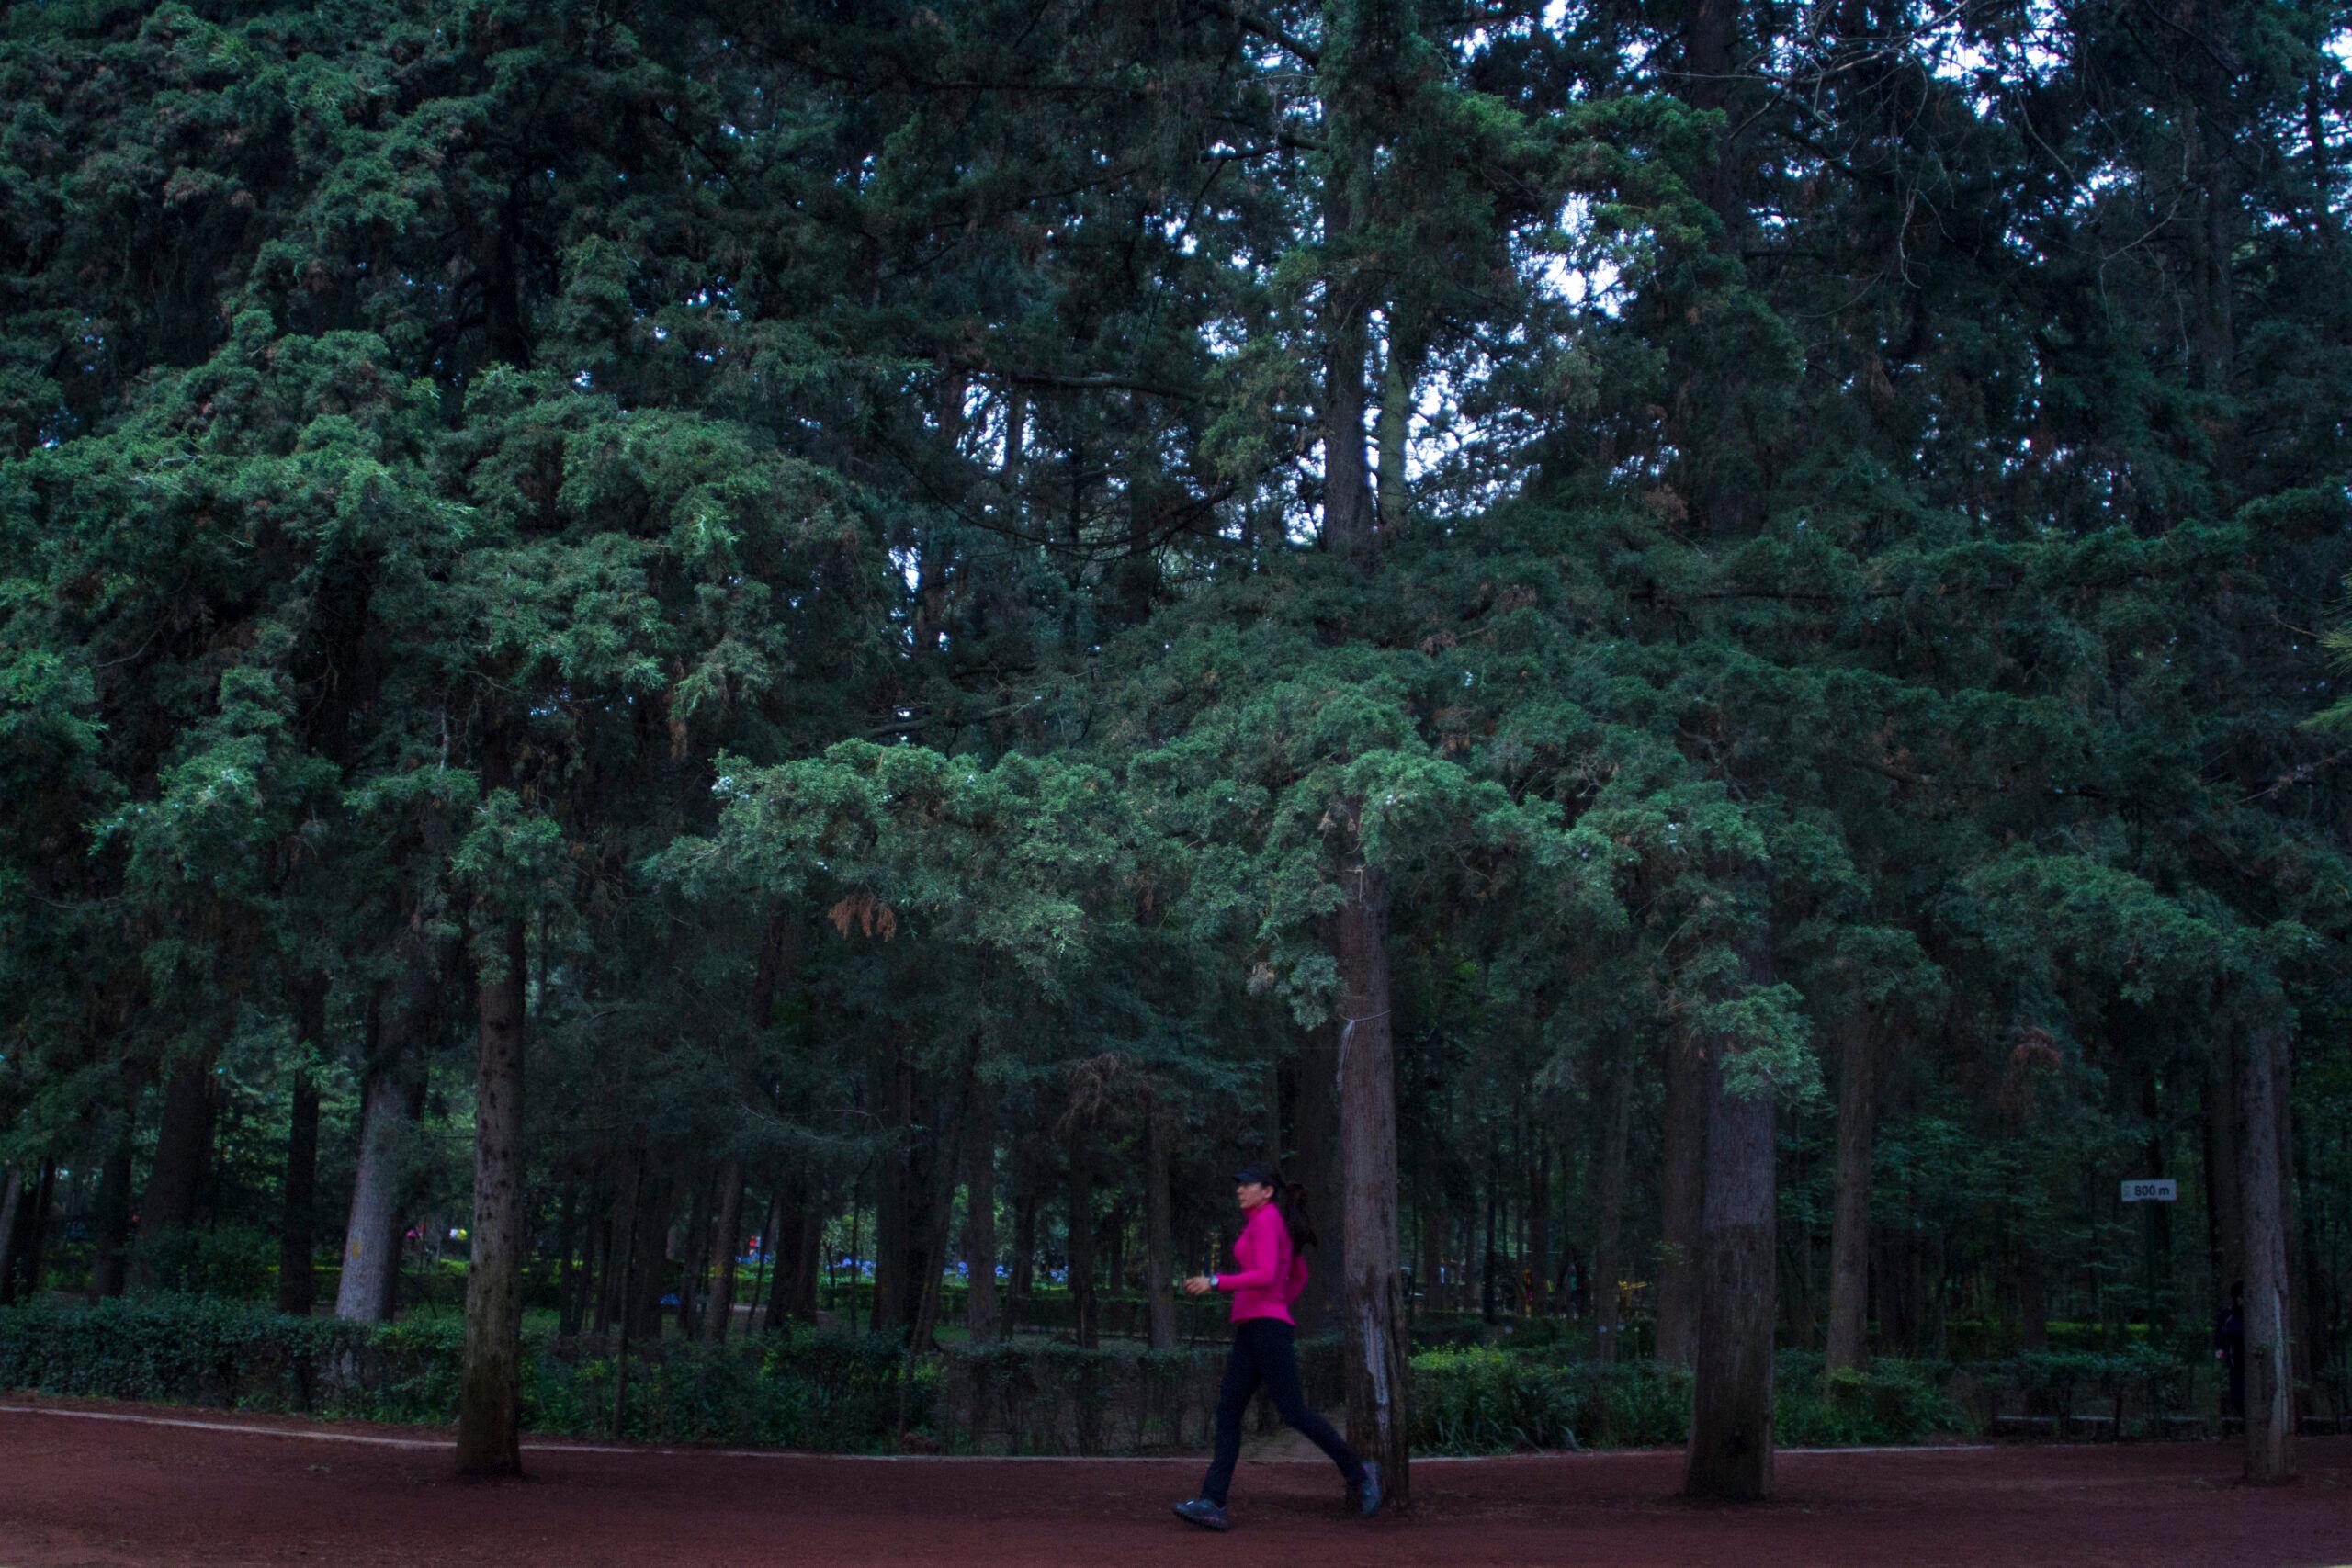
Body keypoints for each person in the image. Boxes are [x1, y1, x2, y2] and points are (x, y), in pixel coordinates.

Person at [1170, 1162, 1380, 1531]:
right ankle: (1213, 1502)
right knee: (1229, 1412)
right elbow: (1298, 1274)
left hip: (1267, 1328)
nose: (1239, 1189)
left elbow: (1268, 1274)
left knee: (1293, 1411)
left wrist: (1216, 1281)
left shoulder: (1267, 1221)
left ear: (1267, 1191)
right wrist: (1278, 1303)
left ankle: (1359, 1472)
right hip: (1255, 1327)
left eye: (1247, 1184)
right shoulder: (1262, 1223)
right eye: (1239, 1184)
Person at [2214, 1280, 2245, 1425]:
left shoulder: (2254, 1315)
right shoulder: (2227, 1314)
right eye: (2240, 1297)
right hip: (2236, 1363)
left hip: (2254, 1363)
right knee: (2237, 1398)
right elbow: (2219, 1333)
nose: (2242, 1300)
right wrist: (2220, 1348)